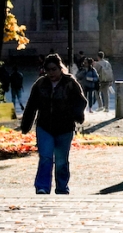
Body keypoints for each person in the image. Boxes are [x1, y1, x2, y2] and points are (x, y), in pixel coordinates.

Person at [20, 54, 87, 195]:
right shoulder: (40, 84)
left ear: (60, 68)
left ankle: (62, 187)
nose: (51, 73)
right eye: (48, 70)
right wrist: (26, 125)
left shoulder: (69, 83)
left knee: (62, 160)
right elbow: (31, 106)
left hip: (65, 128)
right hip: (45, 126)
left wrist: (77, 115)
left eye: (53, 69)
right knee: (45, 157)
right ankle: (42, 187)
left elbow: (81, 101)